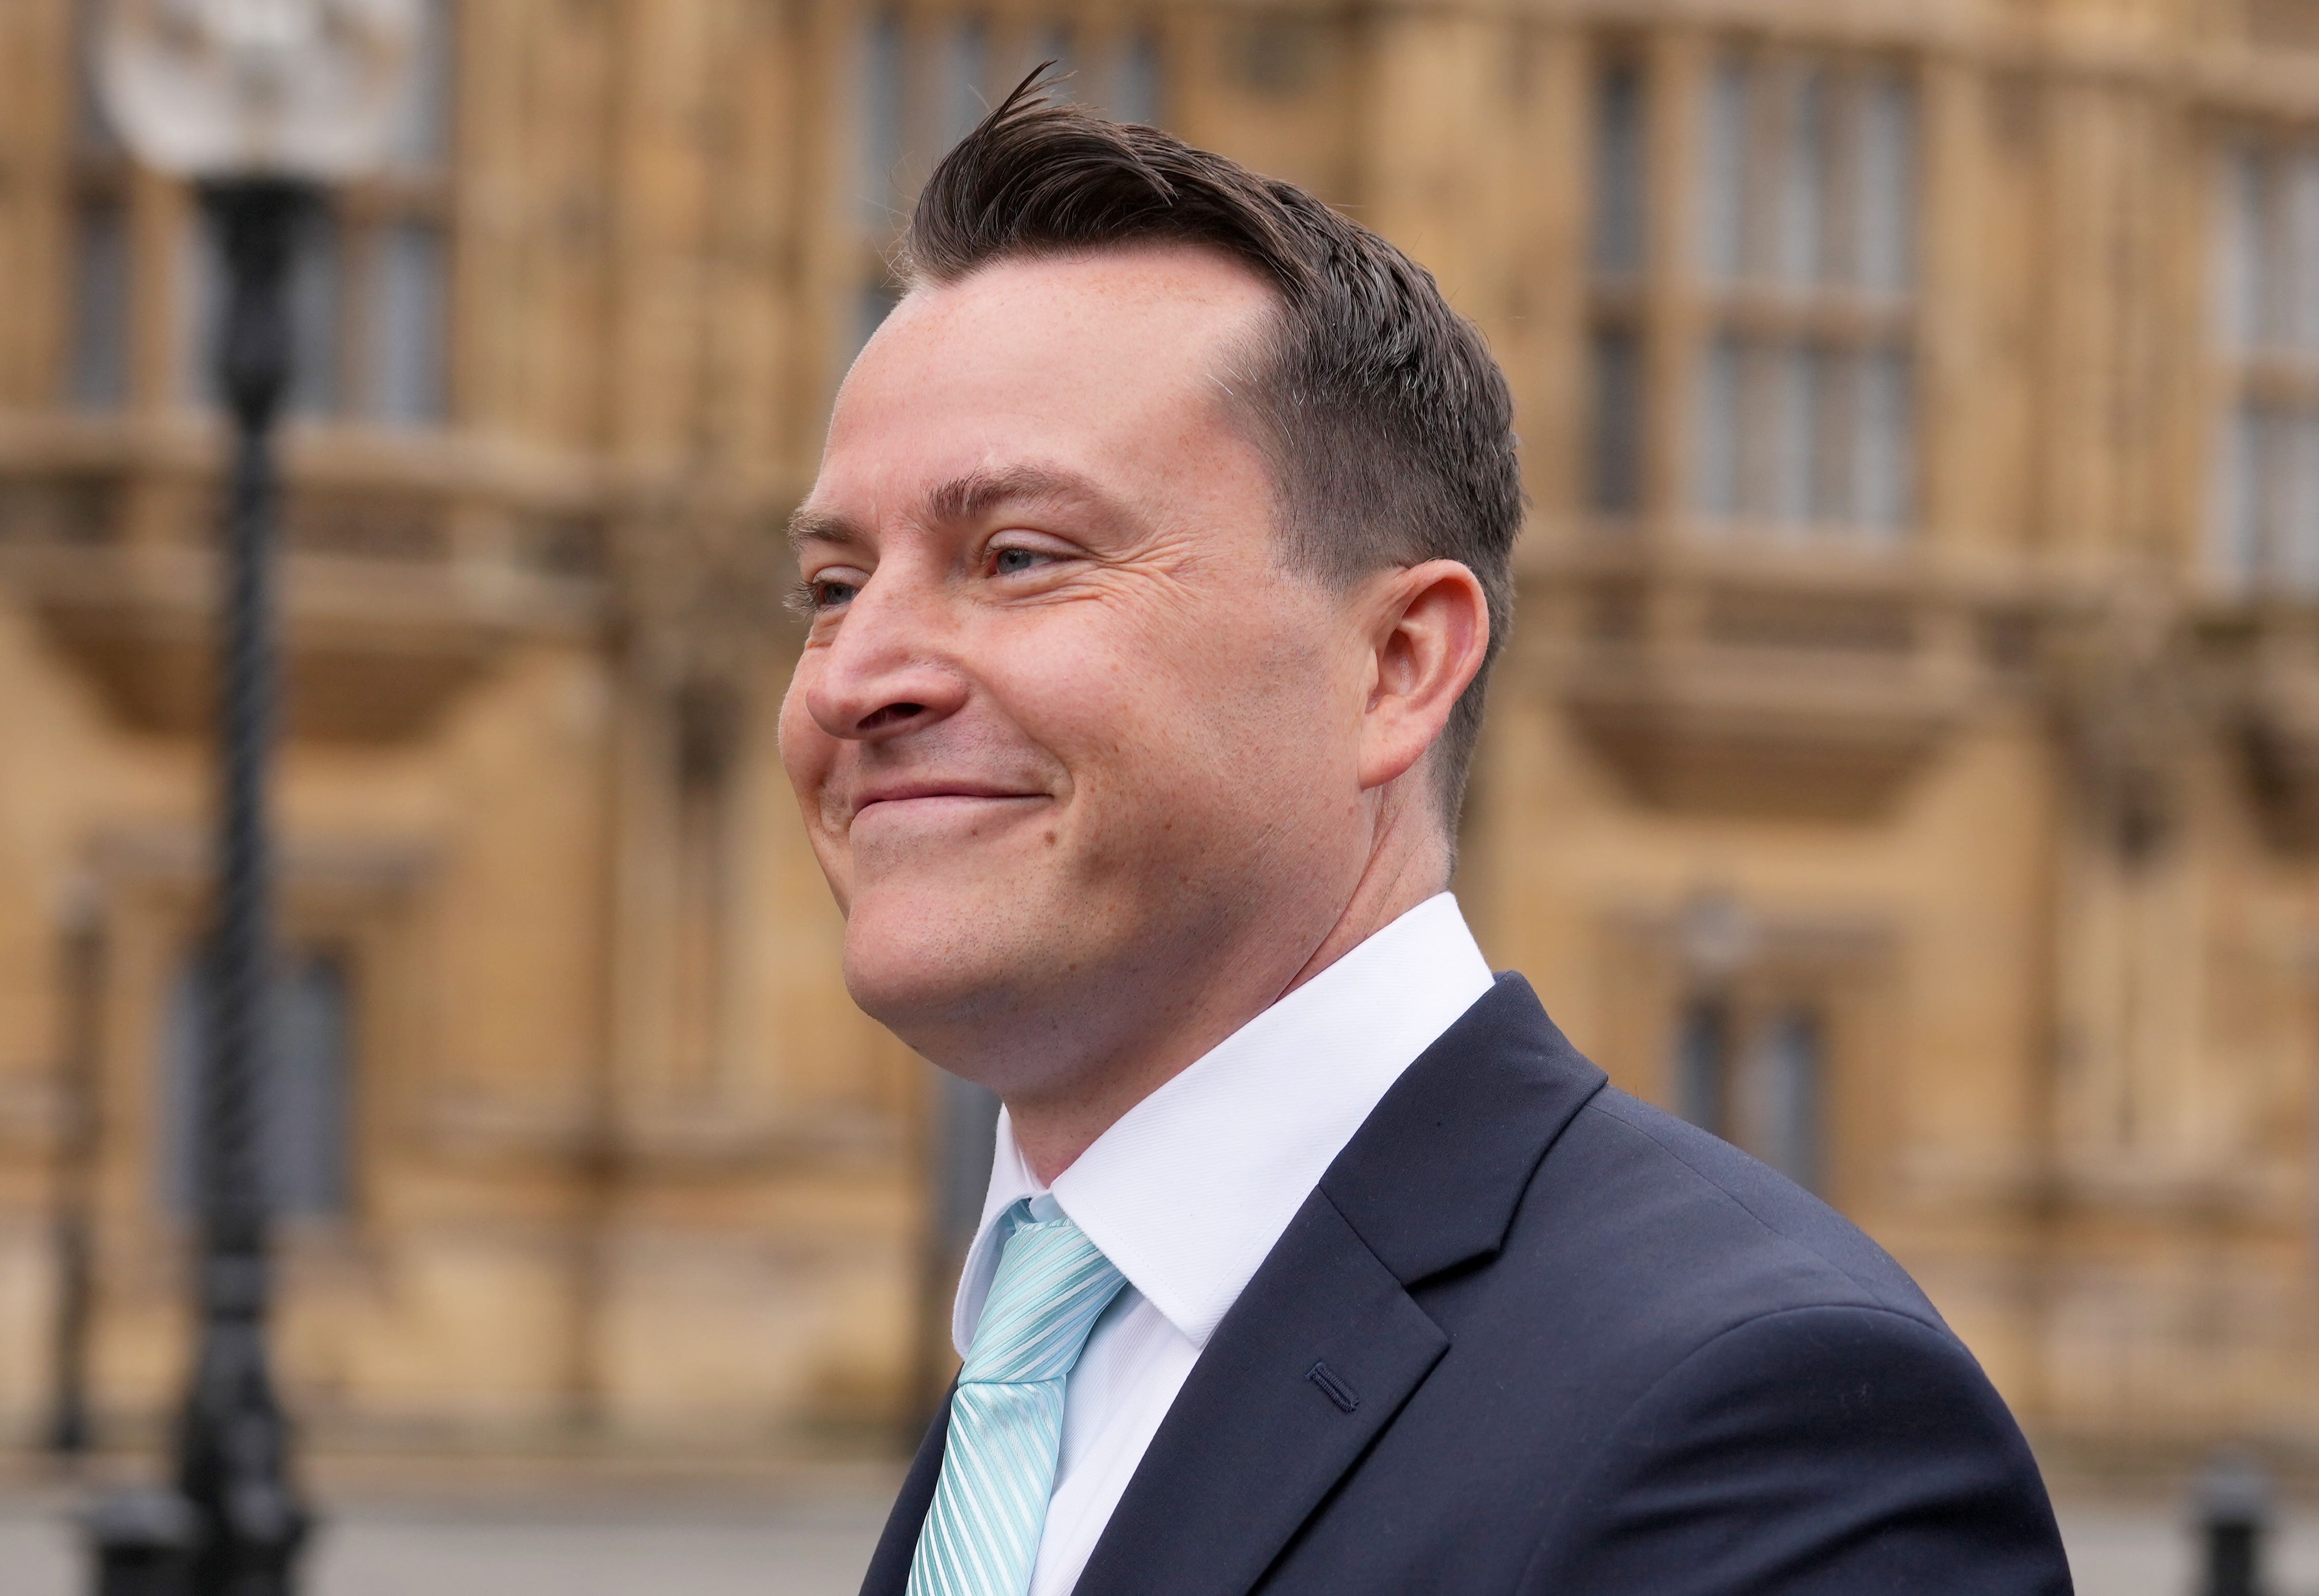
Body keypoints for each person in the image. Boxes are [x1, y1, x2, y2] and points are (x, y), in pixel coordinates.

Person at [778, 76, 2073, 1596]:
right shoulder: (1037, 1360)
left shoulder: (1763, 1419)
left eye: (1019, 556)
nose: (861, 673)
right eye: (830, 588)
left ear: (1395, 666)